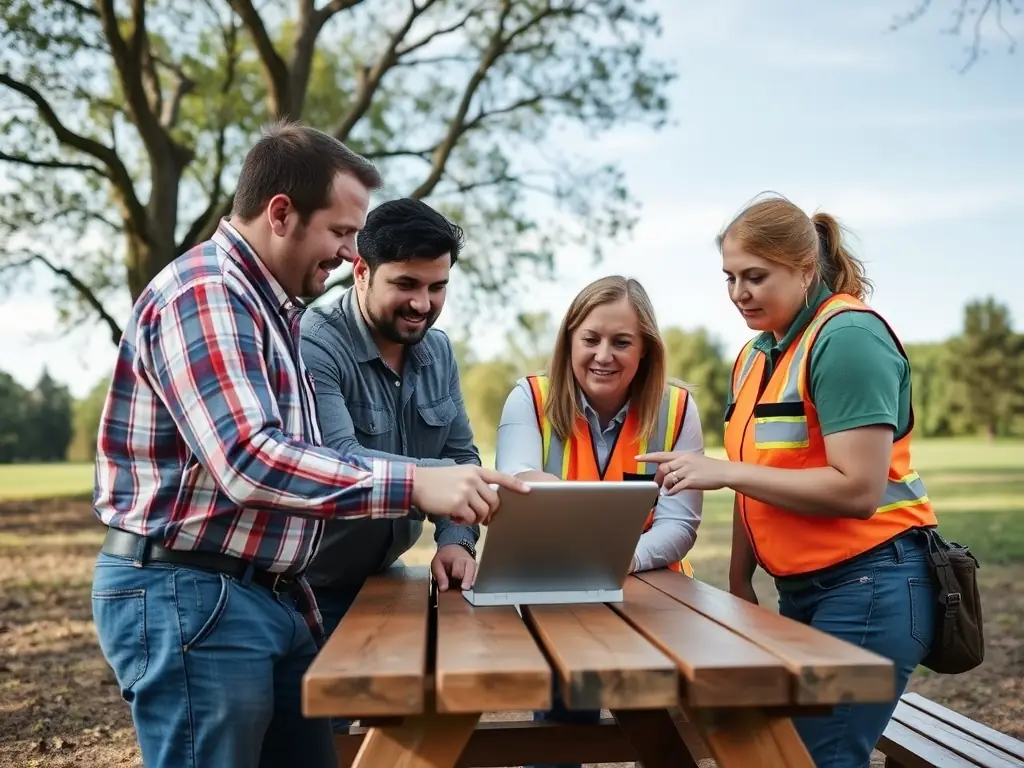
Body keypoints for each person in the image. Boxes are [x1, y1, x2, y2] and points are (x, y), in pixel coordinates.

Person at [89, 121, 528, 768]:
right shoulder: (207, 294)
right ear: (282, 213)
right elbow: (247, 460)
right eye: (343, 233)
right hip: (192, 594)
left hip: (262, 595)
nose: (350, 251)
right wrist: (418, 483)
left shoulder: (272, 309)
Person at [637, 194, 939, 768]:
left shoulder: (848, 338)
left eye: (755, 276)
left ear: (804, 270)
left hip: (872, 585)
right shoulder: (755, 354)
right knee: (771, 751)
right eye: (729, 278)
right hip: (804, 592)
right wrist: (739, 580)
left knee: (811, 759)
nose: (738, 293)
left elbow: (858, 490)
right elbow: (767, 480)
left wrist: (723, 472)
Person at [495, 274, 704, 768]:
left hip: (652, 596)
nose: (603, 355)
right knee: (562, 731)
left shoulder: (677, 409)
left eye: (622, 341)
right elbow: (517, 483)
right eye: (590, 339)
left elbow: (681, 523)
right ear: (569, 340)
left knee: (657, 732)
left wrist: (622, 557)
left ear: (646, 350)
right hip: (556, 595)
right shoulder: (530, 398)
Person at [299, 197, 481, 642]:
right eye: (406, 284)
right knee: (326, 714)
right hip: (304, 592)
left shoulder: (438, 350)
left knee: (421, 699)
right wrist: (443, 482)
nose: (423, 303)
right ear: (361, 271)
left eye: (437, 287)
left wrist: (456, 539)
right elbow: (340, 459)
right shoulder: (314, 343)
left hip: (385, 578)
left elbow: (461, 454)